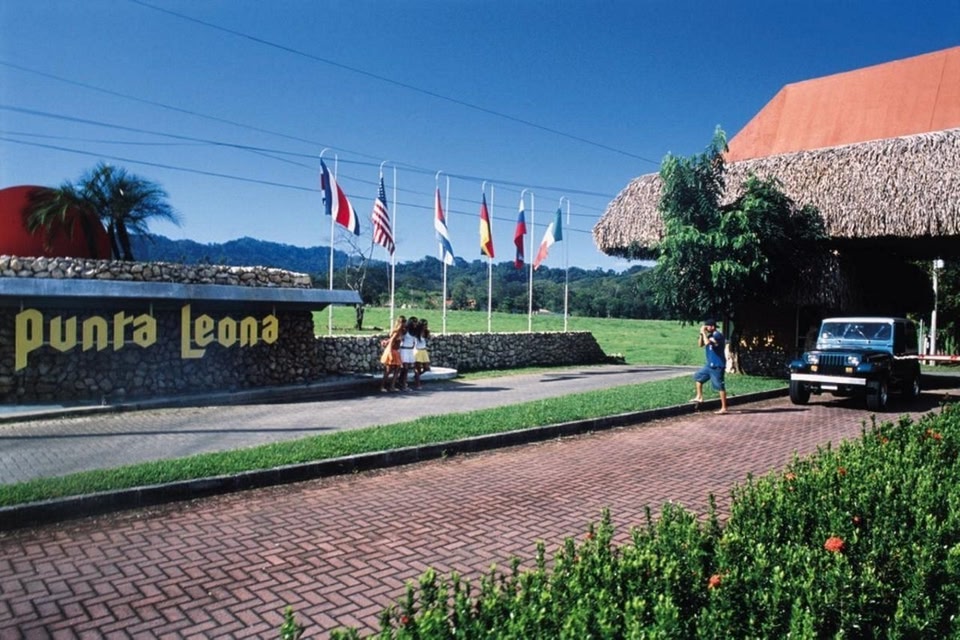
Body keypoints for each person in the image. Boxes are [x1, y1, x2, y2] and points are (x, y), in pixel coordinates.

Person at [692, 318, 728, 414]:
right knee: (698, 377)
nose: (706, 328)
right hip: (709, 365)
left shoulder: (718, 335)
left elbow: (708, 342)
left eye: (707, 326)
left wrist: (704, 333)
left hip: (717, 365)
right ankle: (699, 397)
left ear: (712, 327)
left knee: (719, 386)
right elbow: (700, 345)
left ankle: (724, 408)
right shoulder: (710, 335)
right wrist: (701, 334)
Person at [379, 316, 405, 392]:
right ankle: (382, 386)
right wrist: (390, 353)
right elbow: (391, 342)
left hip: (396, 351)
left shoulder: (401, 331)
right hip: (392, 350)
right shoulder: (396, 332)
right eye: (403, 322)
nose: (404, 324)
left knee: (397, 369)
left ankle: (392, 386)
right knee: (388, 370)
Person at [397, 316, 418, 390]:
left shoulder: (414, 331)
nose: (415, 324)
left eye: (416, 322)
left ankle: (401, 381)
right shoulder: (405, 330)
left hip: (410, 350)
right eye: (414, 322)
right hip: (404, 350)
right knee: (405, 368)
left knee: (406, 369)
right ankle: (404, 385)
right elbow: (400, 337)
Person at [413, 318, 431, 389]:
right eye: (424, 325)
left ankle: (416, 377)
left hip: (424, 351)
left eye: (426, 324)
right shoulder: (416, 333)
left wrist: (428, 332)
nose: (426, 326)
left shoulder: (426, 332)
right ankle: (418, 384)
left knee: (427, 368)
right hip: (418, 351)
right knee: (418, 368)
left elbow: (428, 337)